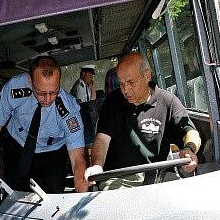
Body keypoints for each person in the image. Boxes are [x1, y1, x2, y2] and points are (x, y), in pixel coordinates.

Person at [0, 56, 88, 193]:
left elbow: (78, 158)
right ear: (30, 80)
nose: (48, 99)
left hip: (52, 153)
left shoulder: (69, 109)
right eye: (41, 92)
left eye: (54, 92)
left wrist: (81, 193)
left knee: (54, 196)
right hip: (18, 145)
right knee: (17, 194)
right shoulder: (14, 89)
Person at [85, 52, 201, 189]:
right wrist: (97, 166)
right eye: (121, 84)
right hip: (118, 179)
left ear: (147, 75)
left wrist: (189, 149)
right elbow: (102, 140)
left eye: (131, 83)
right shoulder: (112, 102)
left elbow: (191, 132)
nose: (125, 90)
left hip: (158, 176)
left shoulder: (167, 101)